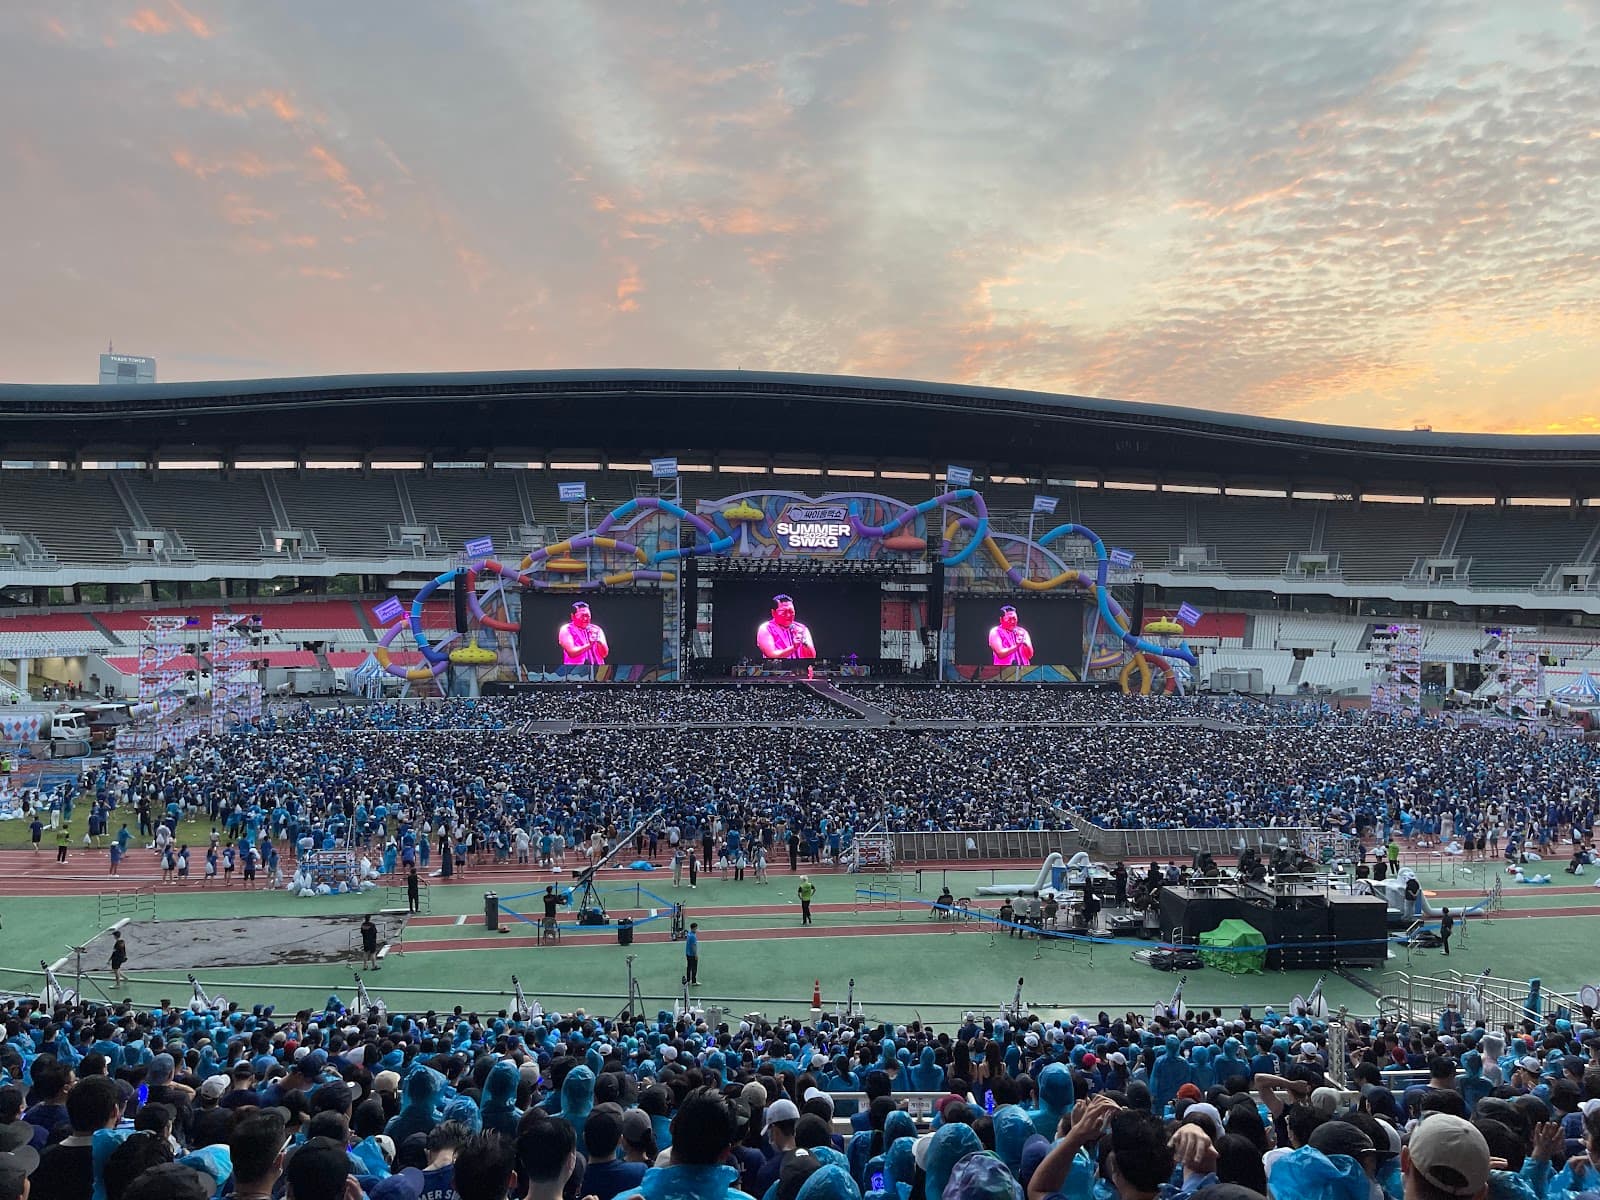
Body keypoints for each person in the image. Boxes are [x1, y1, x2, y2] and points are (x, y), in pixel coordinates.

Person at [757, 595, 816, 660]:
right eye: (783, 612)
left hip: (800, 666)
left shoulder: (802, 628)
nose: (788, 615)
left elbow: (812, 656)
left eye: (791, 612)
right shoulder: (766, 628)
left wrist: (804, 642)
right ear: (773, 613)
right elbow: (771, 655)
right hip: (778, 666)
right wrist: (793, 647)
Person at [558, 601, 609, 666]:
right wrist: (589, 645)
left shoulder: (597, 629)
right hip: (576, 669)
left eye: (588, 616)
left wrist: (599, 642)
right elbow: (571, 653)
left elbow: (604, 654)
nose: (585, 619)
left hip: (598, 668)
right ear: (573, 616)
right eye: (582, 616)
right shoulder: (566, 629)